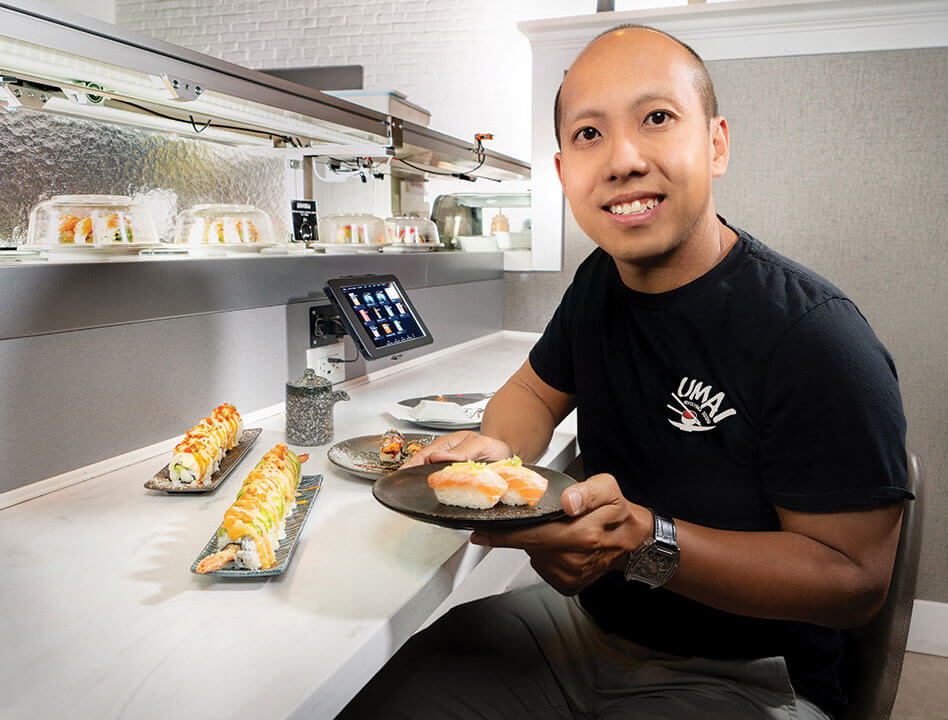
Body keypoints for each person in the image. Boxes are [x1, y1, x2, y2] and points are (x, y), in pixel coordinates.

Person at [337, 24, 911, 720]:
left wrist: (645, 542)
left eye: (657, 118)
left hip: (748, 678)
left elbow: (854, 581)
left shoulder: (815, 335)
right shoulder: (598, 285)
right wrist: (498, 450)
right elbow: (531, 391)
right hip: (581, 632)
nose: (623, 160)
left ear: (716, 142)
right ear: (561, 174)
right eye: (589, 134)